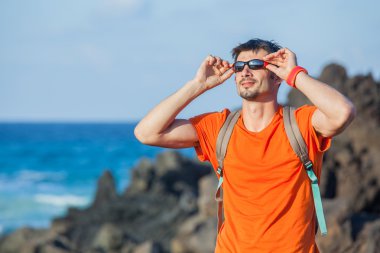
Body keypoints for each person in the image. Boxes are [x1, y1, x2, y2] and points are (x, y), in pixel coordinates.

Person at [134, 39, 355, 253]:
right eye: (239, 66)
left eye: (256, 65)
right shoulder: (220, 128)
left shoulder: (300, 124)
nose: (245, 72)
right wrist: (197, 86)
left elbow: (342, 113)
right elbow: (146, 132)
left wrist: (294, 74)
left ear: (276, 75)